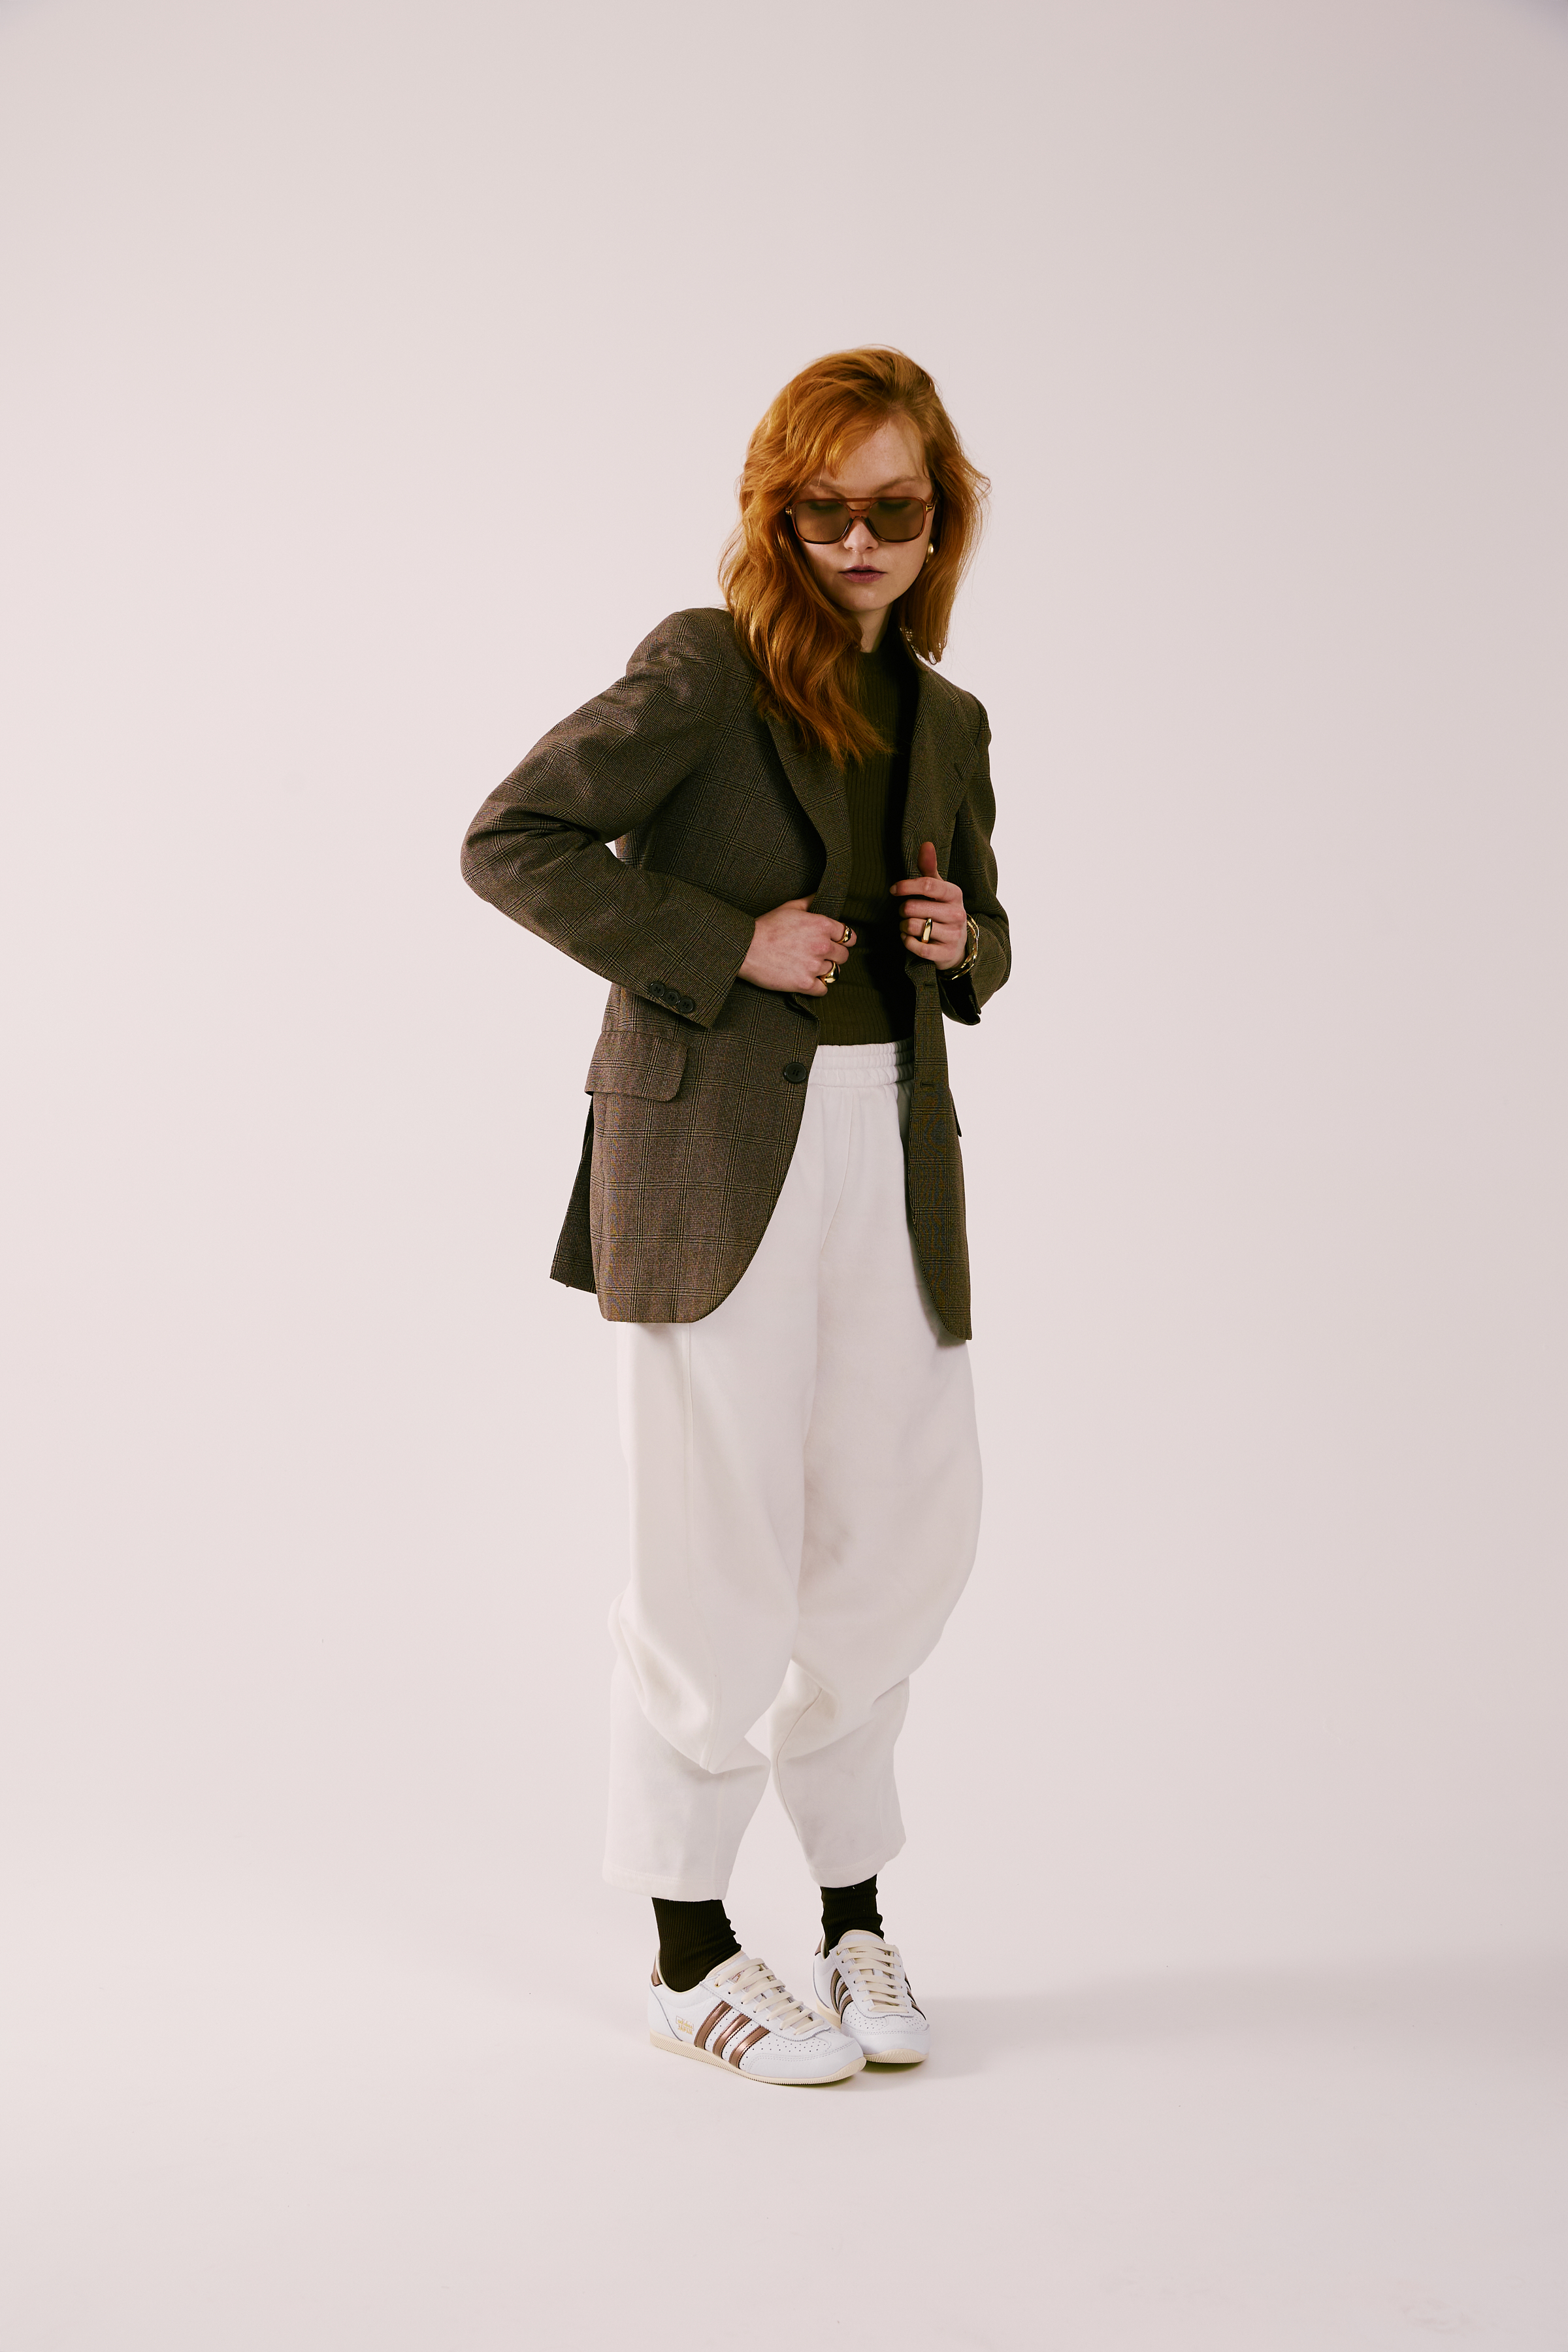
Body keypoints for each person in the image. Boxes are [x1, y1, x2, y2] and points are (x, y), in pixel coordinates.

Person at [461, 346, 1009, 2084]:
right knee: (714, 1554)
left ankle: (852, 1919)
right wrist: (727, 942)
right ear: (778, 514)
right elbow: (515, 836)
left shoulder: (948, 718)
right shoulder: (705, 670)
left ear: (939, 520)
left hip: (891, 1152)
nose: (860, 541)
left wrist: (962, 943)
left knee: (895, 1541)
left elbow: (990, 928)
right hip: (711, 1156)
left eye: (894, 510)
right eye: (825, 509)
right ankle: (689, 1950)